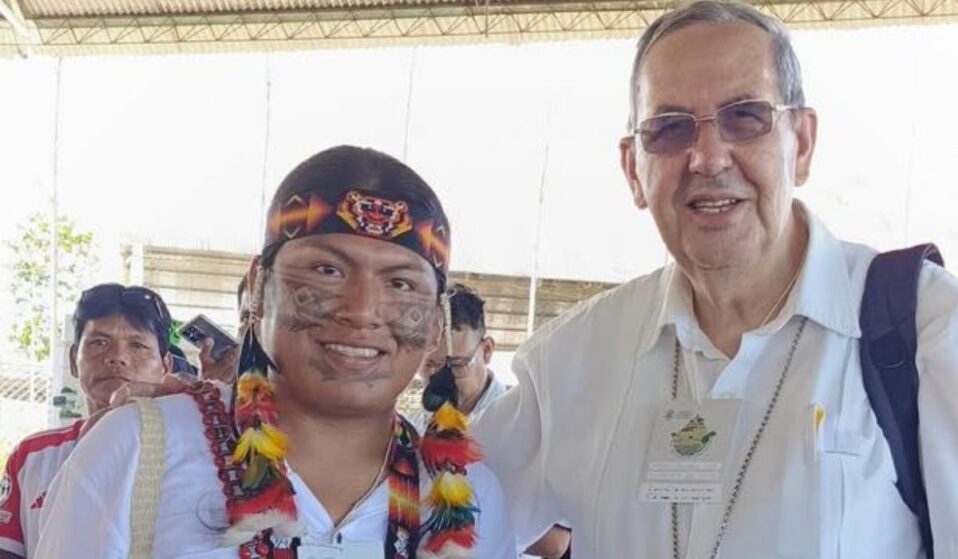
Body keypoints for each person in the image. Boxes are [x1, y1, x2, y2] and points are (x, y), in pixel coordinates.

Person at [473, 1, 958, 557]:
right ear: (633, 170)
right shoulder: (572, 362)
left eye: (745, 117)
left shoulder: (925, 329)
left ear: (801, 143)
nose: (707, 157)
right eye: (669, 128)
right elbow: (438, 508)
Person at [35, 145, 517, 558]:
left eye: (400, 283)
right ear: (258, 288)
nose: (361, 311)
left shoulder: (472, 498)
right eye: (327, 271)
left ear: (436, 323)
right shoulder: (138, 451)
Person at [0, 284, 176, 558]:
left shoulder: (187, 452)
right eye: (99, 343)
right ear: (74, 360)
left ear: (166, 367)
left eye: (138, 345)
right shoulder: (32, 457)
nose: (117, 357)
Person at [415, 283, 570, 559]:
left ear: (486, 350)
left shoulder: (527, 423)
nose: (440, 380)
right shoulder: (413, 429)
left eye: (455, 365)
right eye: (429, 366)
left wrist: (476, 506)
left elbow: (556, 543)